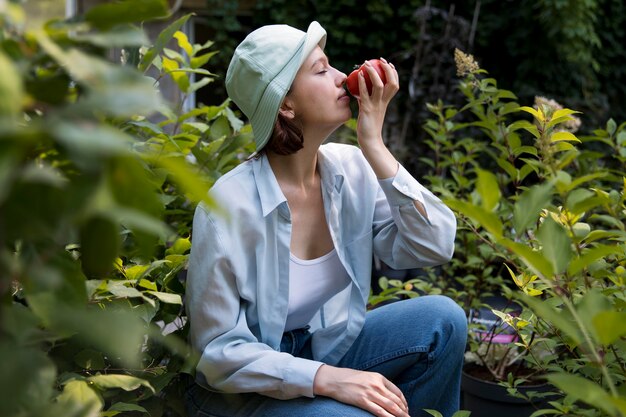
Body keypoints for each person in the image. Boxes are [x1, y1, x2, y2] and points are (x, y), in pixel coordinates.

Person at [185, 21, 466, 417]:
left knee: (443, 322)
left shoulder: (352, 168)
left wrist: (374, 145)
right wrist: (327, 378)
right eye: (321, 70)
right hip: (242, 391)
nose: (341, 79)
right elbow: (217, 355)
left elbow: (434, 244)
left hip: (322, 345)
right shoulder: (227, 207)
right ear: (286, 104)